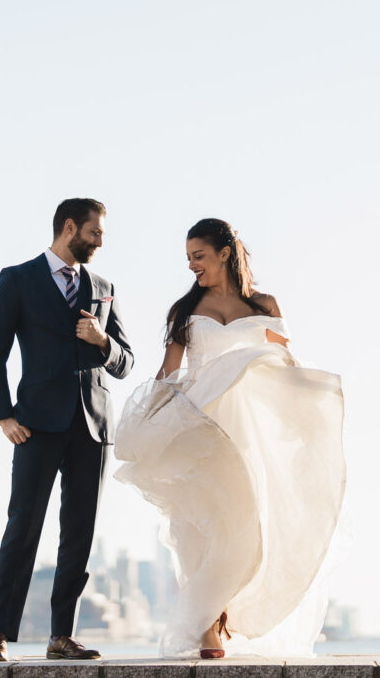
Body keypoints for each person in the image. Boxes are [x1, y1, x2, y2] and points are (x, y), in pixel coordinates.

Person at [114, 218, 345, 659]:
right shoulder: (184, 310)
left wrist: (310, 403)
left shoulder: (264, 304)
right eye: (187, 259)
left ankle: (223, 613)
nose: (192, 266)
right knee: (201, 525)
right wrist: (149, 419)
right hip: (199, 425)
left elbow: (284, 362)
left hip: (247, 429)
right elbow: (169, 371)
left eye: (198, 256)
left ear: (224, 253)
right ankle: (206, 627)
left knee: (247, 529)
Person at [0, 198, 134, 662]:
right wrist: (3, 414)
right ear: (70, 228)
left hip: (93, 425)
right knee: (22, 527)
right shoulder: (18, 279)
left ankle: (61, 637)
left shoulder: (104, 286)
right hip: (35, 425)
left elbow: (126, 361)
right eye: (96, 232)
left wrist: (101, 341)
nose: (101, 241)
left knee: (79, 534)